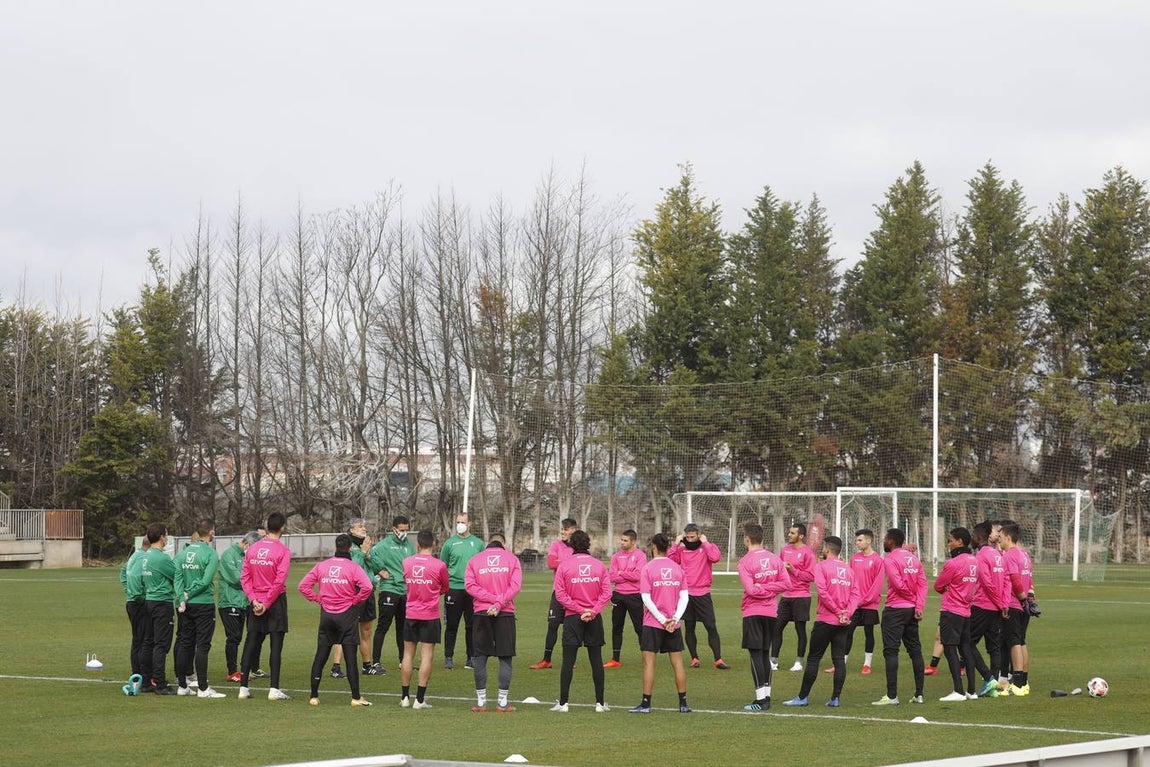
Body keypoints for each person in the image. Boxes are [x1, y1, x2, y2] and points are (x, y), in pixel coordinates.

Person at [298, 533, 376, 707]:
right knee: (350, 658)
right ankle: (356, 697)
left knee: (320, 655)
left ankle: (313, 695)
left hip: (326, 615)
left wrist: (318, 599)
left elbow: (303, 586)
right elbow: (368, 587)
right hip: (346, 615)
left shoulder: (322, 566)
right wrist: (356, 600)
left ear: (335, 547)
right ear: (349, 548)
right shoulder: (353, 567)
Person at [784, 535, 859, 708]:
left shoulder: (822, 567)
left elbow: (823, 592)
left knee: (813, 659)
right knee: (839, 659)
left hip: (826, 620)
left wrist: (837, 611)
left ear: (826, 549)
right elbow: (856, 594)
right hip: (843, 622)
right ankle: (835, 698)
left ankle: (802, 697)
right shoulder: (848, 570)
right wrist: (847, 613)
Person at [629, 532, 691, 714]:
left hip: (653, 623)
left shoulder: (648, 569)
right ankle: (683, 704)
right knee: (678, 663)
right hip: (674, 624)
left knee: (649, 663)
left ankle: (646, 704)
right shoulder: (678, 568)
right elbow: (684, 597)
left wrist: (663, 620)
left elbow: (646, 598)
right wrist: (674, 619)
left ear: (654, 547)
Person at [552, 530, 612, 713]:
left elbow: (560, 594)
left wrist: (579, 610)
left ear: (571, 545)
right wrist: (593, 611)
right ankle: (600, 704)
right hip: (593, 618)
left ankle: (563, 704)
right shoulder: (599, 565)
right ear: (588, 545)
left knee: (568, 661)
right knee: (596, 660)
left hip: (572, 618)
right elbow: (607, 593)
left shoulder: (564, 566)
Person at [464, 533, 523, 712]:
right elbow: (515, 586)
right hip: (505, 612)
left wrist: (491, 600)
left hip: (481, 612)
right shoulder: (511, 559)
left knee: (480, 656)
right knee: (505, 657)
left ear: (487, 543)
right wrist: (498, 603)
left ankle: (481, 703)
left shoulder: (474, 560)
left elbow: (469, 586)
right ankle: (502, 703)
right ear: (503, 544)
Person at [238, 511, 292, 701]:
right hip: (274, 601)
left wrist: (254, 600)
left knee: (251, 643)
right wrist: (266, 602)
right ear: (283, 527)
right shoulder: (283, 551)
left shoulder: (252, 549)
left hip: (255, 601)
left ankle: (243, 687)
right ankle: (274, 689)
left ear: (267, 526)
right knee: (275, 646)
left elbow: (244, 577)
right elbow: (279, 581)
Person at [737, 522, 790, 712]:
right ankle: (767, 696)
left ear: (746, 539)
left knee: (755, 655)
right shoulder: (775, 559)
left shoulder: (744, 562)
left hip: (753, 612)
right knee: (764, 654)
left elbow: (751, 590)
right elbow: (785, 584)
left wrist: (760, 587)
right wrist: (770, 589)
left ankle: (761, 700)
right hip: (771, 612)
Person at [872, 528, 927, 706]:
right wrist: (918, 605)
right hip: (912, 611)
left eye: (885, 539)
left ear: (891, 540)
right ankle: (919, 694)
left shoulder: (890, 559)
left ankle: (892, 695)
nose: (883, 542)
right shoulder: (914, 559)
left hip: (895, 610)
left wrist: (911, 599)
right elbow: (923, 584)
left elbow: (897, 584)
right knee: (915, 650)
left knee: (891, 651)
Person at [174, 518, 224, 698]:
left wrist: (181, 597)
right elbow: (205, 581)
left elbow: (177, 578)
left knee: (185, 643)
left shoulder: (182, 553)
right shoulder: (210, 554)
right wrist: (188, 594)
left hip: (185, 606)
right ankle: (203, 688)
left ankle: (182, 686)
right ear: (211, 531)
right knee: (202, 645)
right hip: (203, 603)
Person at [668, 523, 729, 670]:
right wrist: (675, 543)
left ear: (699, 536)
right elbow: (670, 560)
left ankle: (718, 659)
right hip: (686, 595)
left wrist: (706, 542)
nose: (689, 540)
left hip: (703, 594)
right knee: (689, 627)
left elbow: (715, 557)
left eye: (692, 537)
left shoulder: (706, 548)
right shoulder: (681, 550)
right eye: (687, 537)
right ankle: (694, 658)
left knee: (710, 626)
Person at [400, 530, 450, 709]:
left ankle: (404, 697)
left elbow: (406, 581)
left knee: (407, 655)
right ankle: (419, 700)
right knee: (426, 655)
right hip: (430, 615)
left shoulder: (406, 562)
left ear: (417, 545)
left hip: (411, 614)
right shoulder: (439, 565)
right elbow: (444, 588)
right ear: (434, 544)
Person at [932, 527, 978, 702]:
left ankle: (958, 690)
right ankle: (971, 691)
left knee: (950, 648)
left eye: (951, 540)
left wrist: (949, 588)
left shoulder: (953, 563)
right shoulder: (975, 561)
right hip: (966, 611)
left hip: (951, 610)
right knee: (966, 649)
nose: (949, 543)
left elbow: (938, 586)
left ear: (959, 542)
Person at [828, 529, 882, 676]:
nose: (857, 543)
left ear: (869, 541)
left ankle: (867, 664)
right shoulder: (854, 558)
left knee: (868, 633)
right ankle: (841, 663)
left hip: (869, 605)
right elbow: (849, 579)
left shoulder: (877, 560)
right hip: (854, 605)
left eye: (860, 540)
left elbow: (876, 586)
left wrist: (864, 600)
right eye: (857, 540)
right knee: (847, 632)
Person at [330, 518, 379, 679]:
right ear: (351, 530)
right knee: (345, 630)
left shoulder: (365, 545)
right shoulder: (347, 546)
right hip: (352, 593)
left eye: (364, 526)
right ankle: (336, 667)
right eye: (360, 526)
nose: (364, 529)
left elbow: (378, 565)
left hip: (368, 593)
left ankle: (367, 665)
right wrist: (363, 553)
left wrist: (369, 554)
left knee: (366, 631)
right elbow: (352, 567)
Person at [530, 517, 578, 669]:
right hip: (558, 592)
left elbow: (581, 565)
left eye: (566, 529)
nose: (563, 532)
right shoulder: (556, 545)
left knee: (571, 627)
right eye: (562, 529)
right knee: (553, 625)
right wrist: (570, 563)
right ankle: (546, 660)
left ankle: (570, 660)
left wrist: (563, 563)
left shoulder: (579, 546)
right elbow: (551, 563)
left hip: (574, 593)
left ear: (573, 530)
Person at [969, 520, 1010, 697]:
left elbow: (987, 584)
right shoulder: (998, 555)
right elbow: (1006, 581)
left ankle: (988, 678)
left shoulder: (981, 557)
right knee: (993, 647)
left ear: (979, 537)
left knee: (966, 643)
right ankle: (992, 685)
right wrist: (1004, 604)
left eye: (973, 535)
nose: (971, 538)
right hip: (996, 608)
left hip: (983, 606)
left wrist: (1001, 603)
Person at [369, 515, 414, 672]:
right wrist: (380, 570)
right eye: (401, 530)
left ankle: (403, 661)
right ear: (393, 529)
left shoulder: (409, 545)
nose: (404, 533)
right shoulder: (383, 545)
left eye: (406, 530)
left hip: (405, 590)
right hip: (389, 589)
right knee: (383, 626)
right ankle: (376, 662)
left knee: (403, 627)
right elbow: (370, 556)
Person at [441, 511, 485, 670]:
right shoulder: (449, 543)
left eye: (463, 522)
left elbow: (482, 566)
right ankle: (448, 657)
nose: (460, 525)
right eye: (458, 522)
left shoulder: (479, 544)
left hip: (472, 590)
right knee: (451, 625)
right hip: (453, 589)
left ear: (469, 524)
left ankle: (471, 657)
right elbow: (443, 566)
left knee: (471, 625)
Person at [772, 522, 816, 673]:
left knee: (800, 630)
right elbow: (778, 569)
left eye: (792, 533)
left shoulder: (808, 553)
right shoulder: (784, 550)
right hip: (786, 596)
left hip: (801, 597)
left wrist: (794, 570)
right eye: (789, 532)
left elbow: (811, 576)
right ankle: (774, 661)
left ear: (801, 536)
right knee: (776, 628)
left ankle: (798, 662)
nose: (789, 534)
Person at [219, 531, 262, 683]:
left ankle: (245, 669)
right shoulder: (228, 555)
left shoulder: (247, 556)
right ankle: (232, 671)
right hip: (230, 601)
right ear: (246, 544)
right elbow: (237, 579)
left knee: (247, 636)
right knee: (234, 637)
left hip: (244, 602)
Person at [140, 523, 177, 695]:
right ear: (162, 537)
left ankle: (147, 681)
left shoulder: (146, 556)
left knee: (148, 642)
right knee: (161, 645)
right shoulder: (161, 558)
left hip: (149, 601)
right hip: (162, 603)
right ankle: (160, 683)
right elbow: (176, 575)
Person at [1000, 522, 1035, 696]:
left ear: (1008, 537)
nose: (999, 540)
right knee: (1021, 641)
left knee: (1013, 643)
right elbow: (1030, 579)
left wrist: (1021, 599)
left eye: (1000, 537)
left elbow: (1014, 579)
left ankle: (1018, 684)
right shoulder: (1025, 555)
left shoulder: (1009, 556)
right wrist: (1029, 599)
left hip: (1014, 604)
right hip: (1024, 605)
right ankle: (1024, 682)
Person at [606, 529, 646, 668]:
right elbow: (611, 576)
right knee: (617, 627)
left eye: (625, 540)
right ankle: (615, 659)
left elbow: (639, 576)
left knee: (640, 628)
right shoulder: (616, 556)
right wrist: (628, 574)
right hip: (618, 595)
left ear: (633, 542)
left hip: (635, 596)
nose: (622, 543)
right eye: (621, 540)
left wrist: (621, 573)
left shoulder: (641, 556)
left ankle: (646, 658)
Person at [119, 530, 150, 681]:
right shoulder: (143, 557)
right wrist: (139, 596)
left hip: (132, 601)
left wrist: (128, 588)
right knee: (144, 639)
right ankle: (142, 674)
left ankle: (136, 672)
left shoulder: (134, 556)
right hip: (138, 602)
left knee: (137, 638)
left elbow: (123, 572)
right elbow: (136, 577)